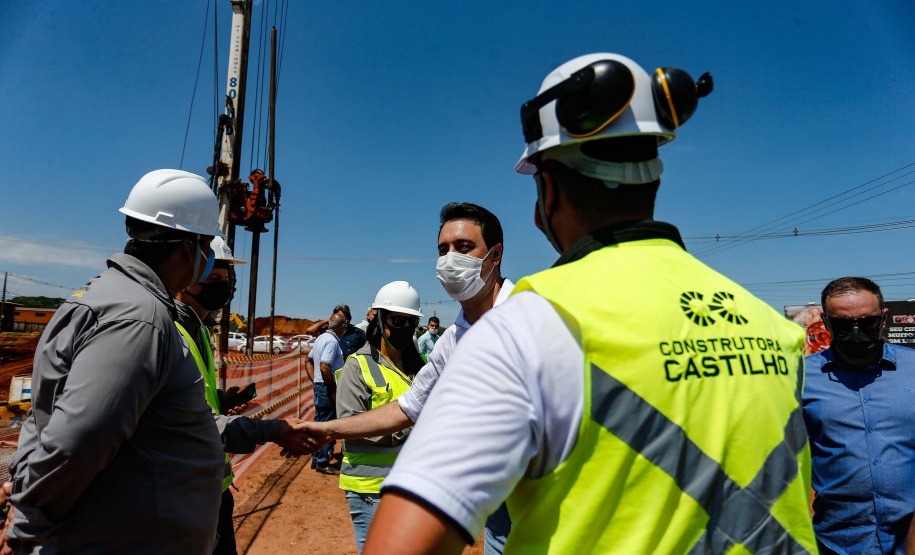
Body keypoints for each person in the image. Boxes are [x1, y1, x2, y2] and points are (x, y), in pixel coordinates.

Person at [363, 53, 817, 554]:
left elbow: (401, 545)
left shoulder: (527, 328)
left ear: (547, 194)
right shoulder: (772, 327)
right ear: (655, 178)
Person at [6, 170, 228, 553]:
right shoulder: (140, 318)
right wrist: (26, 525)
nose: (210, 258)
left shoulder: (106, 296)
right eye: (207, 245)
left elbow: (43, 418)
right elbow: (79, 440)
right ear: (188, 247)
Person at [291, 202, 514, 554]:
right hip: (489, 502)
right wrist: (326, 429)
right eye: (443, 250)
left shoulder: (529, 317)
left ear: (495, 255)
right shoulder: (452, 341)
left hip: (539, 496)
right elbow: (407, 408)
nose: (450, 259)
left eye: (464, 247)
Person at [174, 236, 316, 555]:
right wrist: (274, 430)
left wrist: (221, 401)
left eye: (228, 277)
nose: (224, 285)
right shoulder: (172, 332)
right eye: (214, 277)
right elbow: (191, 425)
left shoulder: (199, 331)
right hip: (183, 493)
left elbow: (189, 401)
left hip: (211, 486)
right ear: (186, 275)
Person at [802, 277, 915, 555]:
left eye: (867, 322)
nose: (856, 331)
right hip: (836, 542)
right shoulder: (801, 378)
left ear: (884, 317)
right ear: (826, 322)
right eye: (843, 324)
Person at [336, 281, 426, 554]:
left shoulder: (420, 367)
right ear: (379, 319)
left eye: (412, 322)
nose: (405, 327)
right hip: (371, 489)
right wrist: (409, 427)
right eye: (398, 320)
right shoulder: (358, 366)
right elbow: (350, 426)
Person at [306, 311, 349, 474]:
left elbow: (309, 360)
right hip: (326, 387)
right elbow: (325, 366)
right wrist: (333, 389)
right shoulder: (331, 341)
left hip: (320, 386)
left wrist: (315, 380)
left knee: (319, 423)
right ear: (343, 326)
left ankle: (316, 457)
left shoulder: (321, 338)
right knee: (326, 425)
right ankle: (322, 461)